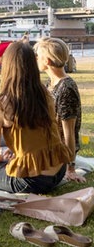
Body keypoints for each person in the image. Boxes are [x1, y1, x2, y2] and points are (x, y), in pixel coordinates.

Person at [0, 42, 71, 194]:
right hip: (59, 170)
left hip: (31, 181)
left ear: (7, 66)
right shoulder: (46, 94)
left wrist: (6, 158)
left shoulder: (0, 104)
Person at [35, 37, 85, 183]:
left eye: (38, 56)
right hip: (48, 143)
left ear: (47, 61)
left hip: (59, 152)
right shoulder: (50, 83)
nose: (36, 58)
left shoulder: (66, 88)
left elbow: (69, 133)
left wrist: (70, 168)